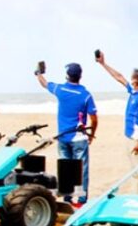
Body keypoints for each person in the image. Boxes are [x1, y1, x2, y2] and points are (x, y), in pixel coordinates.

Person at [35, 62, 98, 206]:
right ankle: (81, 199)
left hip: (63, 137)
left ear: (67, 76)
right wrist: (92, 134)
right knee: (81, 169)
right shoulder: (86, 95)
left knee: (66, 168)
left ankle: (68, 197)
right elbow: (94, 118)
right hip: (79, 137)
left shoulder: (61, 89)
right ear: (80, 76)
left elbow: (44, 83)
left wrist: (38, 73)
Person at [96, 51, 138, 195]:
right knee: (134, 172)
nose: (130, 79)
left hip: (137, 138)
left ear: (137, 81)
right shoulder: (134, 91)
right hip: (129, 137)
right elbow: (119, 77)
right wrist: (103, 63)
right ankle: (136, 197)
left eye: (132, 78)